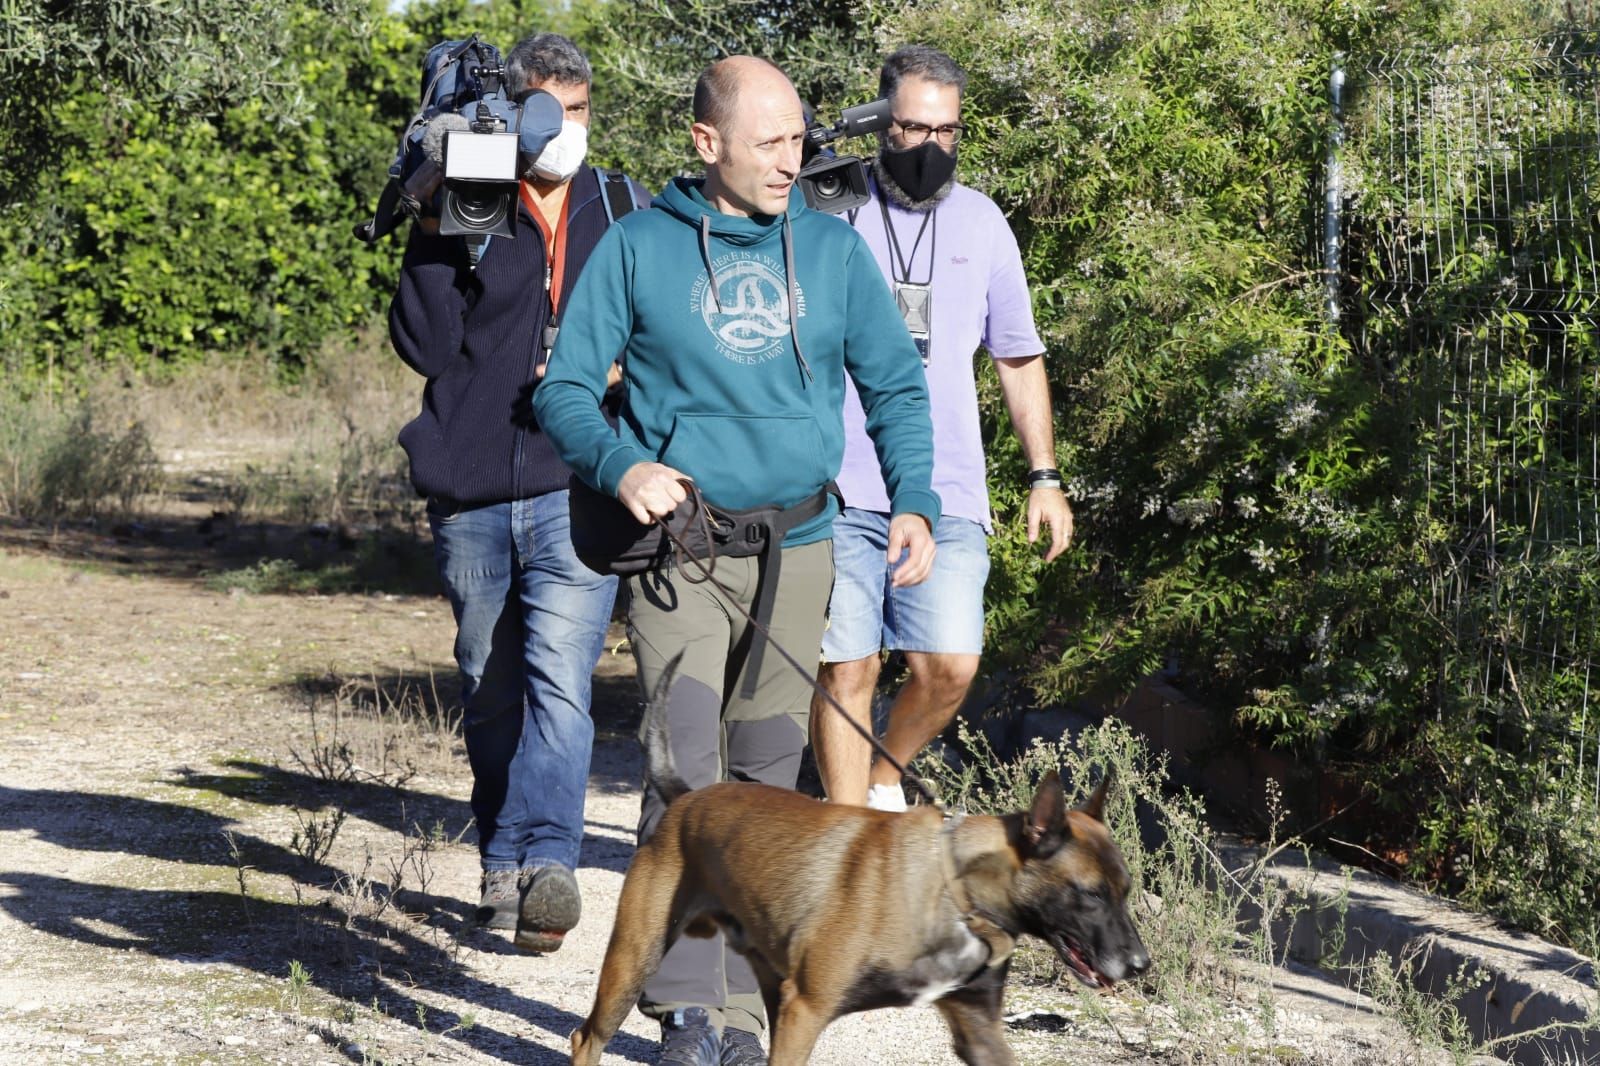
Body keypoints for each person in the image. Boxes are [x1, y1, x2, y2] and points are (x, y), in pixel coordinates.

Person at [534, 55, 940, 1066]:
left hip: (798, 545)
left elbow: (894, 385)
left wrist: (916, 501)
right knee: (687, 776)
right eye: (767, 143)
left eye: (798, 141)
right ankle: (684, 1010)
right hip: (684, 549)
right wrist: (623, 464)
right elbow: (566, 391)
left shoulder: (834, 251)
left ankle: (754, 1006)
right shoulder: (635, 248)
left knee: (768, 781)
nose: (788, 161)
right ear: (704, 142)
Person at [388, 32, 650, 953]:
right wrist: (432, 224)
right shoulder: (474, 194)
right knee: (489, 685)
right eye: (549, 111)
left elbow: (658, 327)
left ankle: (547, 867)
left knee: (559, 679)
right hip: (468, 484)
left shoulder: (621, 204)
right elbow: (422, 344)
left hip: (575, 479)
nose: (564, 130)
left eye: (580, 112)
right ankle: (503, 857)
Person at [810, 44, 1075, 811]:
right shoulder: (831, 206)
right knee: (848, 667)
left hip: (947, 488)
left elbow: (1018, 356)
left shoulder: (983, 221)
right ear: (880, 124)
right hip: (837, 481)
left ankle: (884, 779)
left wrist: (1045, 476)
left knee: (949, 665)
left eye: (947, 133)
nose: (930, 148)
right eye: (912, 130)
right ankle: (848, 829)